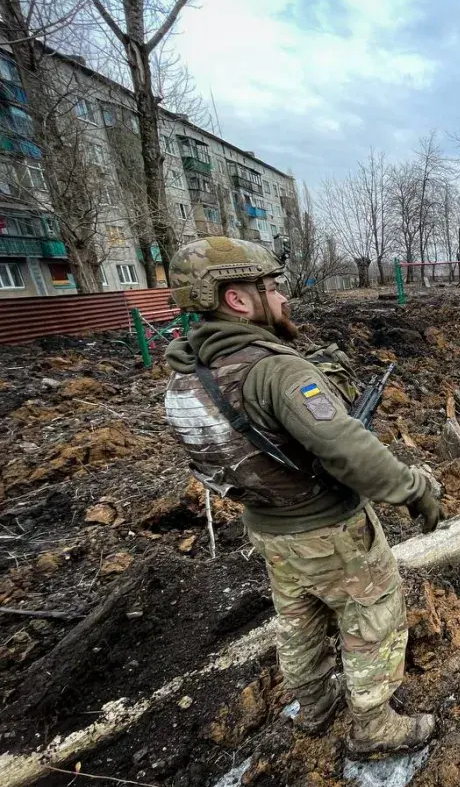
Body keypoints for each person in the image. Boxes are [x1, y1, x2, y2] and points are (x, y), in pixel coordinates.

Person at [162, 237, 444, 755]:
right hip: (328, 531)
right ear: (238, 300)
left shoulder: (186, 376)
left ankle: (314, 706)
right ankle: (374, 729)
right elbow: (346, 447)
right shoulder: (275, 370)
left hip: (269, 529)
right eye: (272, 287)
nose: (284, 298)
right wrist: (414, 489)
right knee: (372, 617)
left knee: (297, 619)